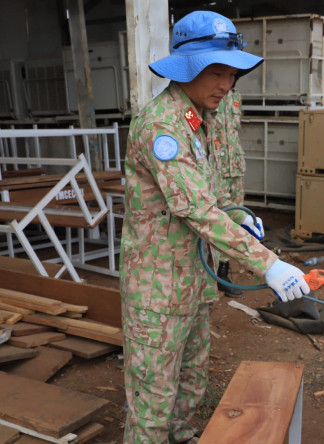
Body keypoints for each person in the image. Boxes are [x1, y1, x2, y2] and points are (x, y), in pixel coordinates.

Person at [119, 11, 311, 444]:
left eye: (231, 74)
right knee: (152, 406)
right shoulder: (162, 127)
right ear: (188, 68)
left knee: (189, 388)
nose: (226, 84)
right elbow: (197, 212)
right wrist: (269, 265)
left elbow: (207, 198)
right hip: (158, 293)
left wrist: (238, 214)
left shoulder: (197, 121)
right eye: (216, 72)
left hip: (191, 284)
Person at [212, 86, 246, 296]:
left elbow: (234, 131)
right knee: (218, 220)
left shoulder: (236, 96)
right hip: (216, 168)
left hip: (235, 167)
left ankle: (224, 270)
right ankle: (216, 272)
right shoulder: (208, 94)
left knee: (234, 220)